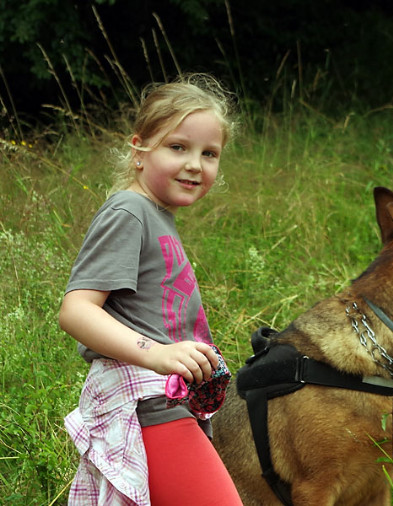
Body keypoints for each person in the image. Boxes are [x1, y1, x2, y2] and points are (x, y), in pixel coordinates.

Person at [59, 73, 243, 505]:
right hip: (147, 405)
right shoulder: (130, 211)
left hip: (169, 403)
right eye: (177, 147)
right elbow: (76, 310)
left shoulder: (155, 216)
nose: (195, 164)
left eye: (209, 153)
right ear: (139, 150)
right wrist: (156, 353)